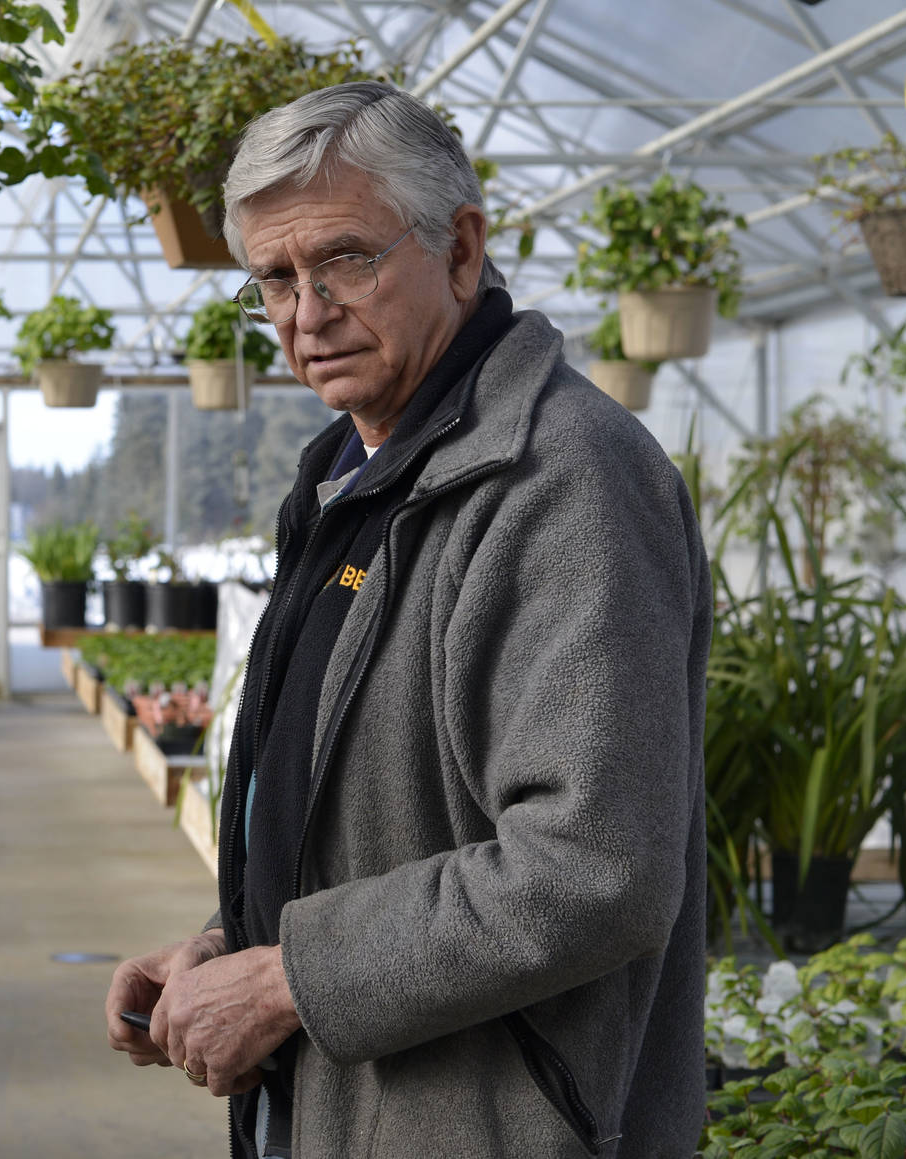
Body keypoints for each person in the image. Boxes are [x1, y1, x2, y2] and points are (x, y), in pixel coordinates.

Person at [105, 82, 711, 1158]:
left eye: (342, 258)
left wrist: (290, 975)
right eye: (273, 279)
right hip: (349, 1104)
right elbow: (366, 801)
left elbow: (593, 866)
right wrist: (230, 943)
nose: (305, 311)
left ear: (460, 249)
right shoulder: (358, 468)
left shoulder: (560, 480)